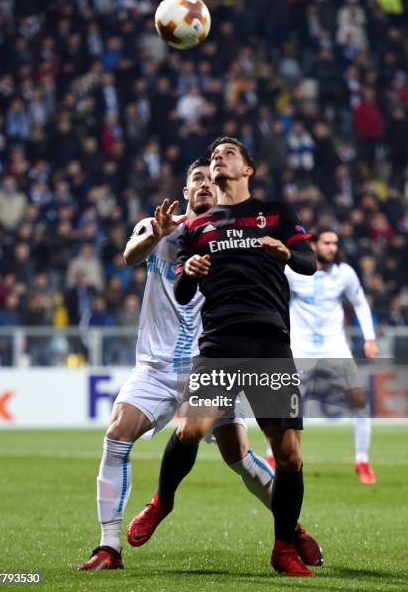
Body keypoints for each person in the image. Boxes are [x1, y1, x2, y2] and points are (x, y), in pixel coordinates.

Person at [78, 159, 291, 571]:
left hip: (210, 364)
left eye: (212, 179)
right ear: (187, 190)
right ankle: (108, 546)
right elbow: (128, 256)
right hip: (156, 368)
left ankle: (290, 527)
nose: (206, 184)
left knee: (239, 456)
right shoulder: (159, 228)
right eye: (197, 179)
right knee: (117, 433)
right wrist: (154, 235)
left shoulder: (234, 238)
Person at [168, 137, 318, 577]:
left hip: (271, 344)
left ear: (248, 169)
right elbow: (182, 291)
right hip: (220, 344)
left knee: (288, 455)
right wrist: (189, 272)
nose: (219, 158)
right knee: (192, 428)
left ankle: (283, 548)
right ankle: (161, 502)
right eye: (215, 155)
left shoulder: (276, 213)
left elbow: (308, 262)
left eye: (228, 153)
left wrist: (287, 252)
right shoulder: (196, 228)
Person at [268, 226, 379, 484]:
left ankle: (362, 460)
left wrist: (370, 338)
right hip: (300, 348)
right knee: (288, 406)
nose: (332, 247)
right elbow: (273, 297)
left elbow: (360, 303)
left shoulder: (345, 274)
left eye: (335, 243)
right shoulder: (293, 271)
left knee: (359, 400)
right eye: (327, 242)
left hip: (335, 348)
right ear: (314, 245)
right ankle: (272, 456)